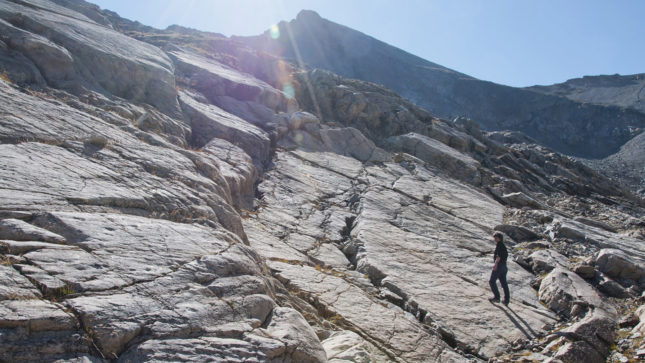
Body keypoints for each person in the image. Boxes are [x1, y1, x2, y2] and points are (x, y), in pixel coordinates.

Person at [489, 232, 510, 306]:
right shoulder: (503, 246)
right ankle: (506, 300)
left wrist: (496, 264)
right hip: (504, 267)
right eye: (494, 237)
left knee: (492, 281)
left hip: (499, 266)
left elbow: (499, 256)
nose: (495, 239)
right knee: (504, 284)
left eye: (496, 237)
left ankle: (497, 297)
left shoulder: (499, 245)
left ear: (500, 238)